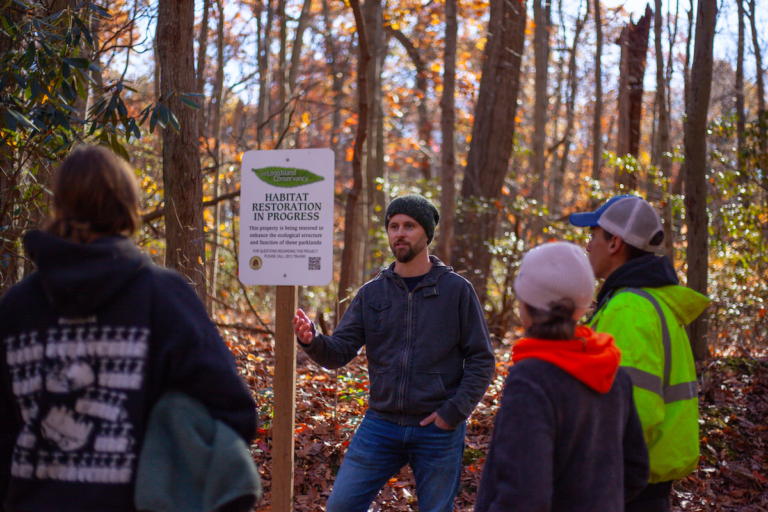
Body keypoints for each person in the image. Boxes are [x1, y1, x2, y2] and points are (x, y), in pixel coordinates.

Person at [0, 145, 257, 512]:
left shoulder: (16, 307)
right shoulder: (163, 297)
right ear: (126, 204)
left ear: (60, 205)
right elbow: (234, 412)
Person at [293, 193, 495, 512]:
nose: (399, 233)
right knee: (340, 507)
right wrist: (312, 340)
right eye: (393, 226)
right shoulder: (373, 293)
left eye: (409, 226)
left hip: (437, 427)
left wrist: (454, 411)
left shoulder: (457, 290)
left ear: (426, 233)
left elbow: (482, 359)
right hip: (381, 424)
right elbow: (339, 352)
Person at [474, 242, 650, 512]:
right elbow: (636, 470)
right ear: (580, 308)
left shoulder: (531, 379)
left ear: (525, 303)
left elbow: (523, 499)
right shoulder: (612, 372)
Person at [569, 195, 709, 511]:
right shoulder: (650, 302)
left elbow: (633, 410)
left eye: (593, 235)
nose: (588, 246)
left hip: (626, 489)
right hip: (644, 485)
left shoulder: (630, 308)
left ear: (615, 242)